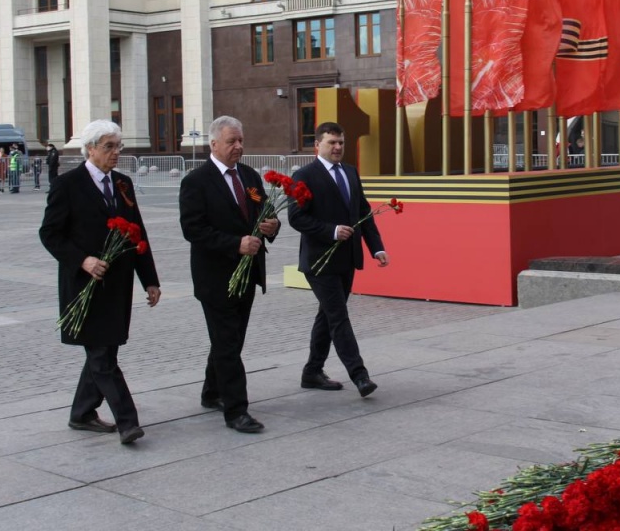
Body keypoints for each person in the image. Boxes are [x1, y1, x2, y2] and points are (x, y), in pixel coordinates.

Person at [38, 120, 161, 445]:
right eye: (109, 146)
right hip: (84, 285)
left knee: (105, 351)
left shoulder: (123, 184)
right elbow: (50, 234)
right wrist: (83, 259)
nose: (116, 152)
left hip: (116, 285)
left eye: (118, 146)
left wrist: (149, 280)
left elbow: (138, 233)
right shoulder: (67, 185)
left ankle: (82, 413)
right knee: (101, 356)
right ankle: (128, 422)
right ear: (90, 148)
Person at [179, 115, 279, 434]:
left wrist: (272, 225)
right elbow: (193, 229)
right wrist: (235, 244)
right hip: (215, 277)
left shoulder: (249, 176)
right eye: (231, 141)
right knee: (226, 343)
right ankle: (237, 410)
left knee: (231, 340)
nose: (238, 146)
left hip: (248, 274)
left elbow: (265, 210)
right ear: (213, 144)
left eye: (241, 141)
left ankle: (212, 392)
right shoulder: (196, 181)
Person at [288, 122, 388, 398]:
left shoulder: (351, 172)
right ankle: (360, 375)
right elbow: (296, 217)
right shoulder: (304, 175)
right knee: (338, 316)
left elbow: (363, 212)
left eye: (341, 142)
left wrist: (376, 248)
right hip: (319, 262)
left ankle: (312, 372)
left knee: (328, 315)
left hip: (347, 259)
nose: (337, 147)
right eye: (332, 142)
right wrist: (330, 231)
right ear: (317, 145)